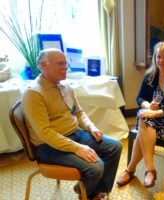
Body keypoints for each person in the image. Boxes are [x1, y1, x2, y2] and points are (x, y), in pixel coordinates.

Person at [21, 48, 122, 200]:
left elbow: (78, 112)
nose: (65, 67)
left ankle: (92, 191)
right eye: (60, 64)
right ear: (43, 65)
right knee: (96, 167)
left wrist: (91, 127)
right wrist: (77, 148)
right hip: (48, 145)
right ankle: (88, 192)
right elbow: (45, 133)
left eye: (66, 63)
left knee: (115, 146)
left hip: (76, 134)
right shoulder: (34, 93)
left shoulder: (65, 86)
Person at [116, 41, 164, 188]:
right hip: (150, 114)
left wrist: (156, 113)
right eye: (158, 57)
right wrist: (147, 105)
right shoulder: (150, 75)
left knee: (143, 123)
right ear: (155, 58)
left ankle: (131, 170)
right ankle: (150, 170)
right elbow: (139, 98)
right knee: (145, 118)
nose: (161, 61)